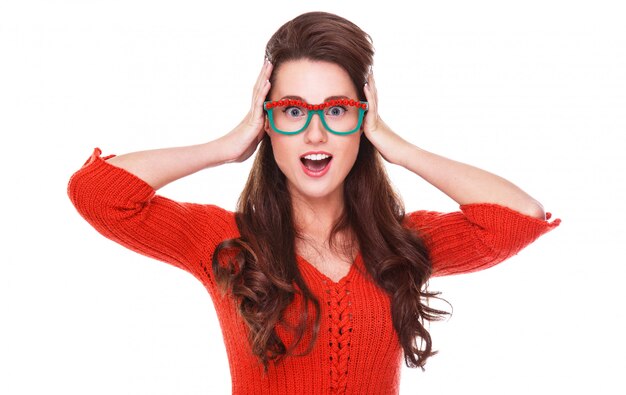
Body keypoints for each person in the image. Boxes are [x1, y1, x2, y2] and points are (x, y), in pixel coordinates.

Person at [67, 11, 560, 395]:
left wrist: (398, 146)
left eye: (338, 110)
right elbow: (98, 194)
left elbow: (521, 217)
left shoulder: (399, 245)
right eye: (293, 110)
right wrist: (228, 145)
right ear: (267, 122)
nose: (316, 132)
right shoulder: (227, 246)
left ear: (363, 121)